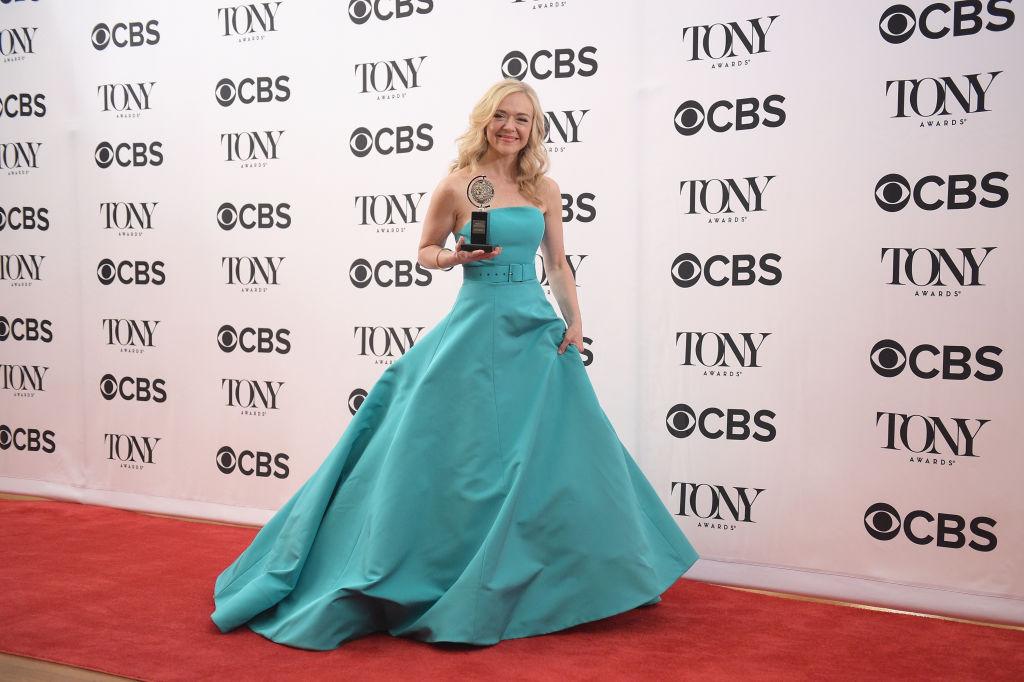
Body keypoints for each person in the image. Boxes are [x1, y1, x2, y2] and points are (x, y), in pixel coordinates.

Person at [210, 79, 699, 650]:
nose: (511, 127)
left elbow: (558, 262)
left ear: (535, 128)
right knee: (454, 455)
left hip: (533, 327)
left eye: (523, 118)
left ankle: (582, 577)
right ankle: (433, 567)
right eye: (501, 116)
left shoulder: (544, 187)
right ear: (485, 121)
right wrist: (454, 256)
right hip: (474, 320)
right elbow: (424, 250)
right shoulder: (456, 184)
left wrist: (575, 319)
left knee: (559, 456)